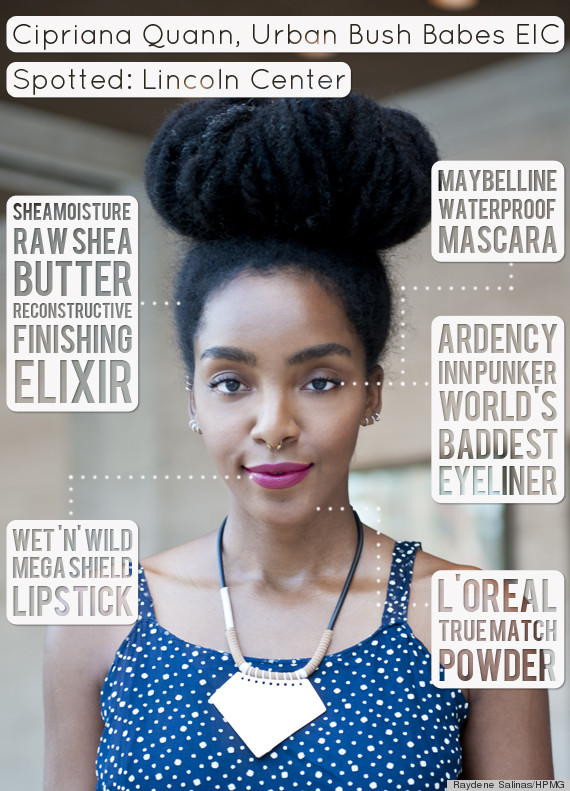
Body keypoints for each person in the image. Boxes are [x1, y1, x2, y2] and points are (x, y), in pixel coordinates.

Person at [44, 96, 554, 790]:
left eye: (320, 381)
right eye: (231, 382)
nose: (274, 424)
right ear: (192, 398)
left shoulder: (482, 618)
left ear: (370, 394)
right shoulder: (97, 621)